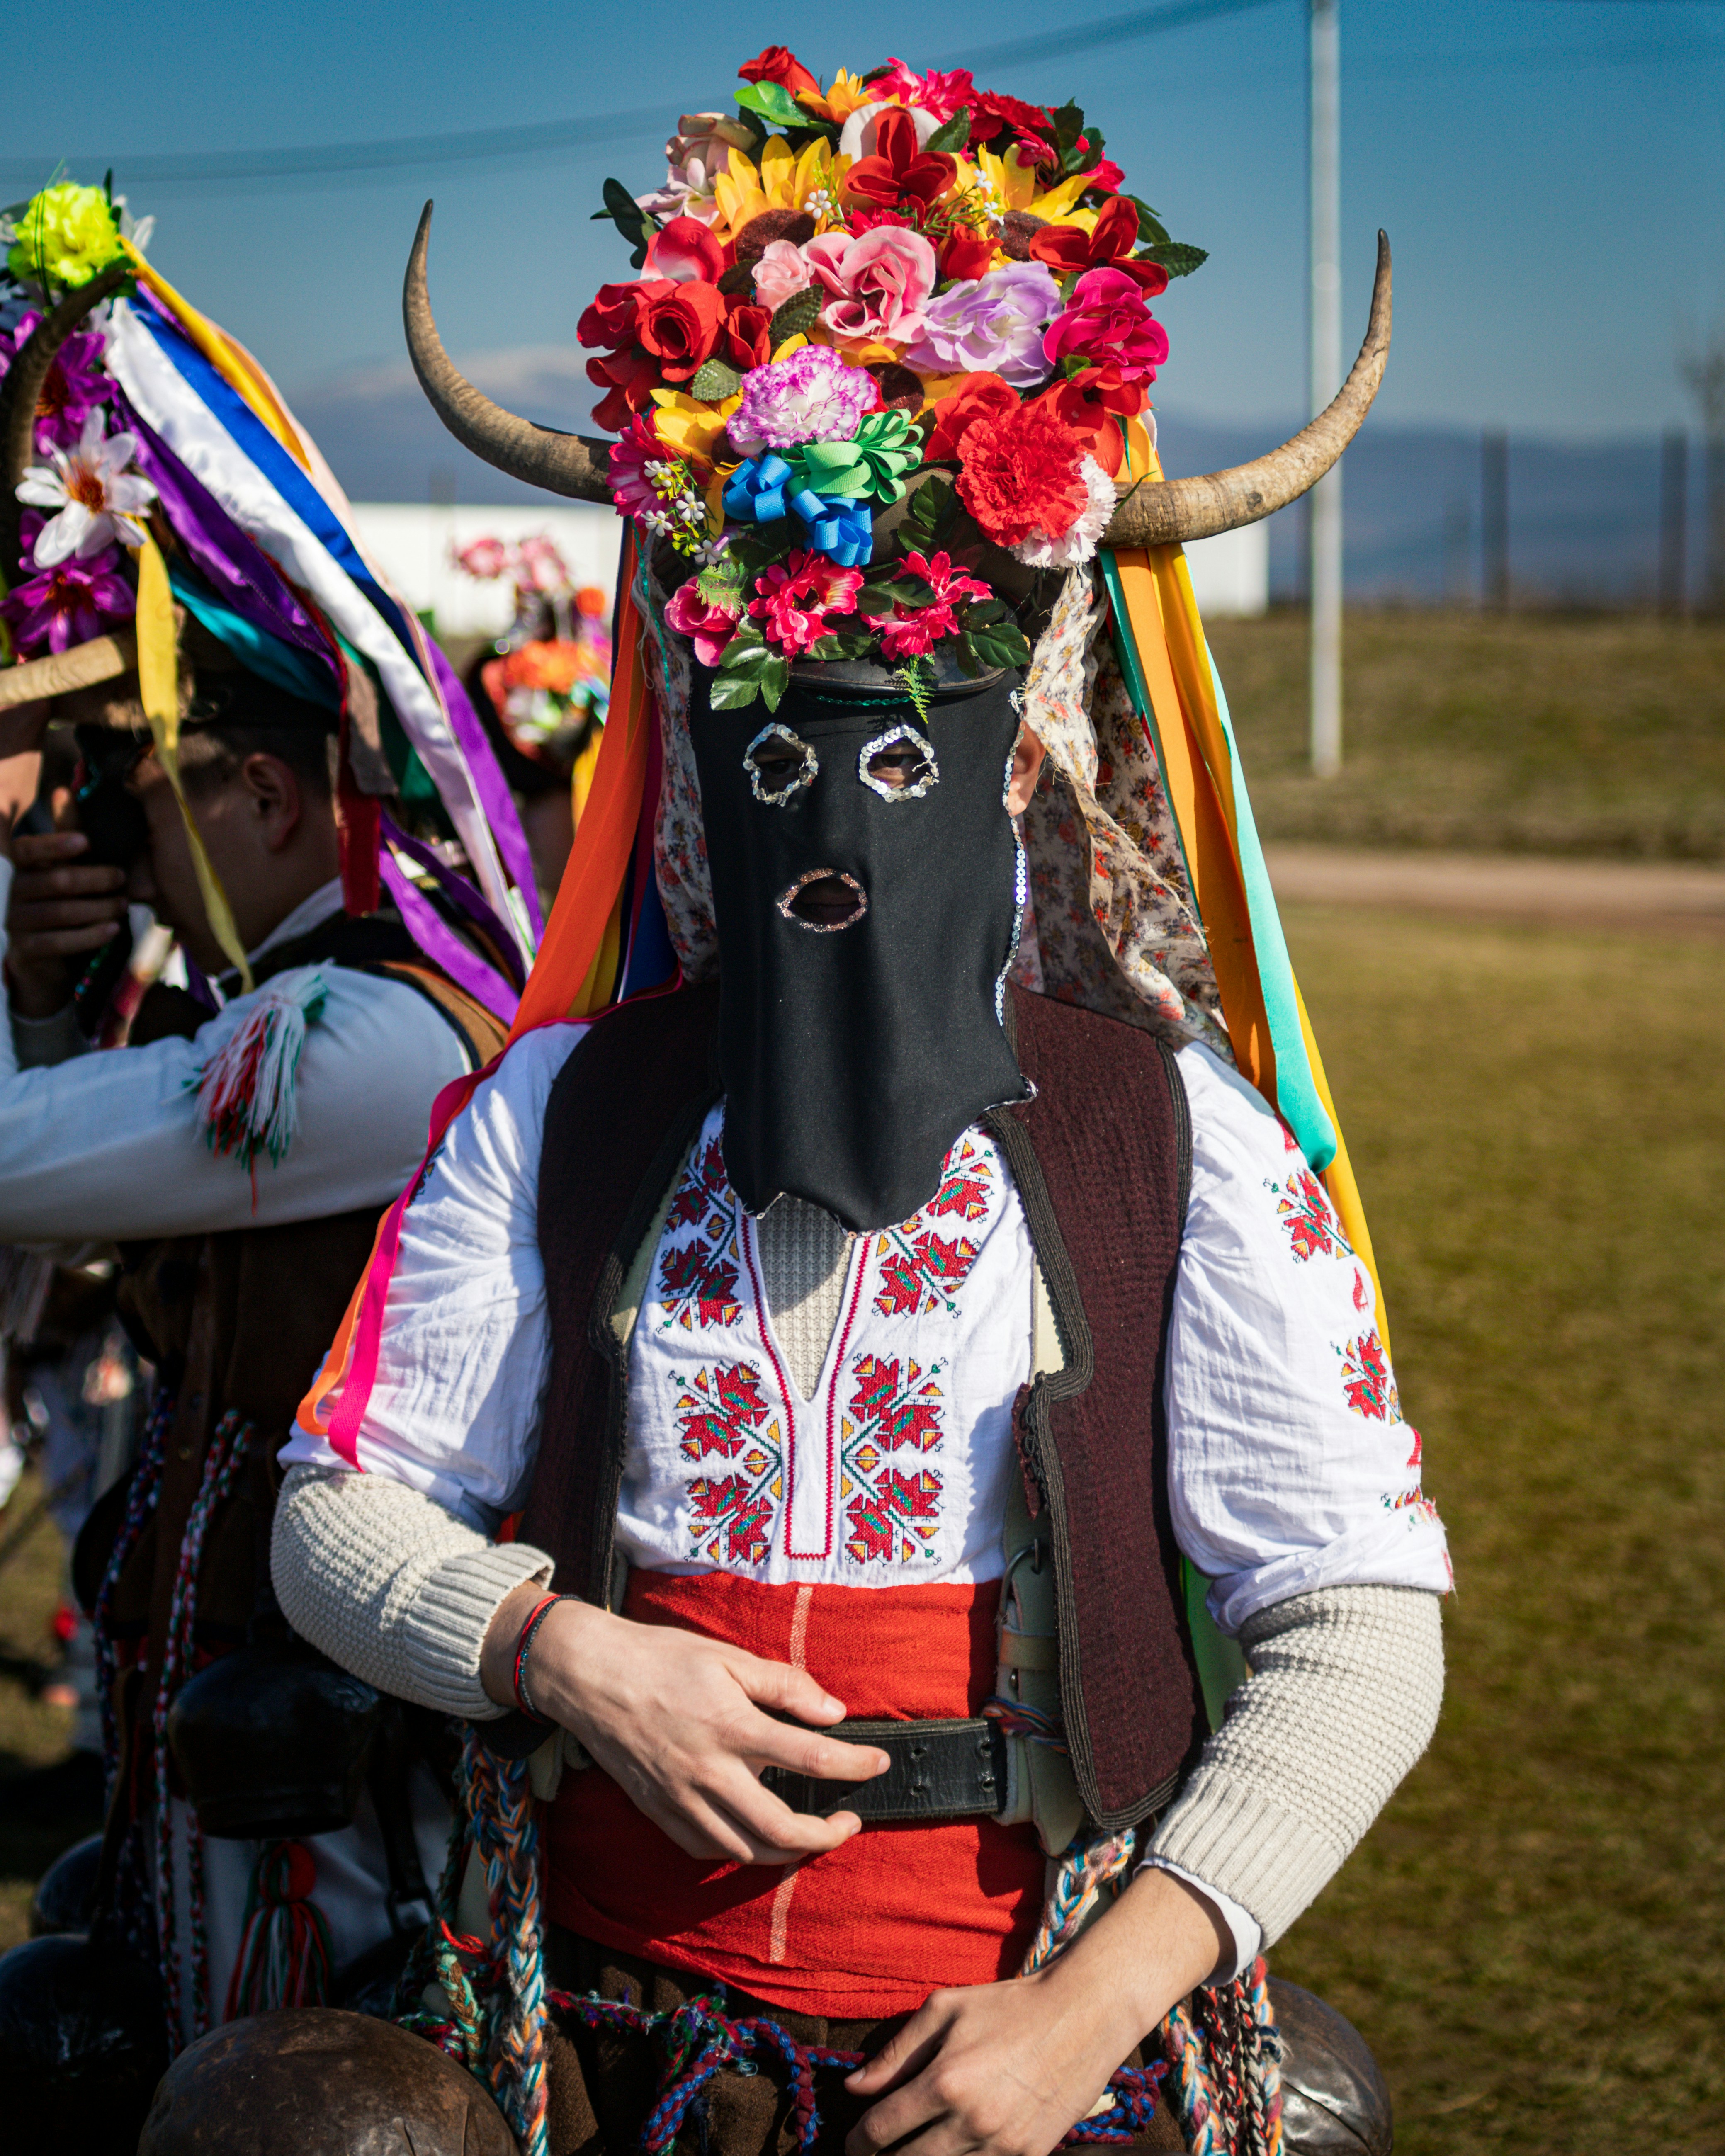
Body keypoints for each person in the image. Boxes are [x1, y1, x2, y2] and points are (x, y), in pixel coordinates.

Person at [272, 46, 1450, 2156]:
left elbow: (1358, 1619)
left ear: (1019, 754)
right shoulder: (565, 1109)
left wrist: (1087, 2009)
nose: (827, 822)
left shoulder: (1171, 1139)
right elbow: (331, 1509)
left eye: (901, 755)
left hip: (1005, 2034)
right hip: (599, 2012)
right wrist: (556, 1653)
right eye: (771, 745)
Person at [0, 176, 536, 2082]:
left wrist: (35, 993)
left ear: (277, 799)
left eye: (139, 793)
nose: (108, 841)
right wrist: (49, 987)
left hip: (328, 1693)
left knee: (304, 2066)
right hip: (232, 1639)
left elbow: (17, 1163)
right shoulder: (292, 1005)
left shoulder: (359, 1034)